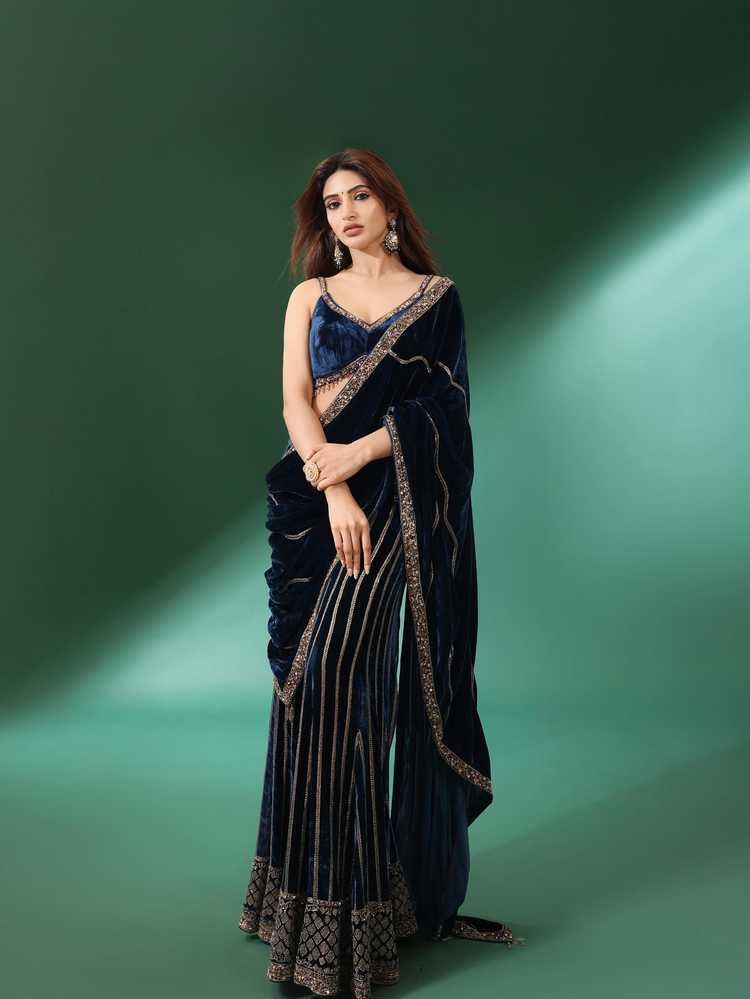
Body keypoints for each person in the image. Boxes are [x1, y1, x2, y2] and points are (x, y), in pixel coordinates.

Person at [238, 148, 525, 999]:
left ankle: (351, 913)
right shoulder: (309, 297)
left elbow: (448, 415)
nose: (348, 212)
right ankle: (303, 905)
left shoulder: (435, 300)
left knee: (344, 684)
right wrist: (332, 486)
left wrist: (362, 457)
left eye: (360, 196)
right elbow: (295, 399)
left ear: (390, 206)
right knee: (308, 692)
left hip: (396, 498)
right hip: (318, 501)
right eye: (333, 203)